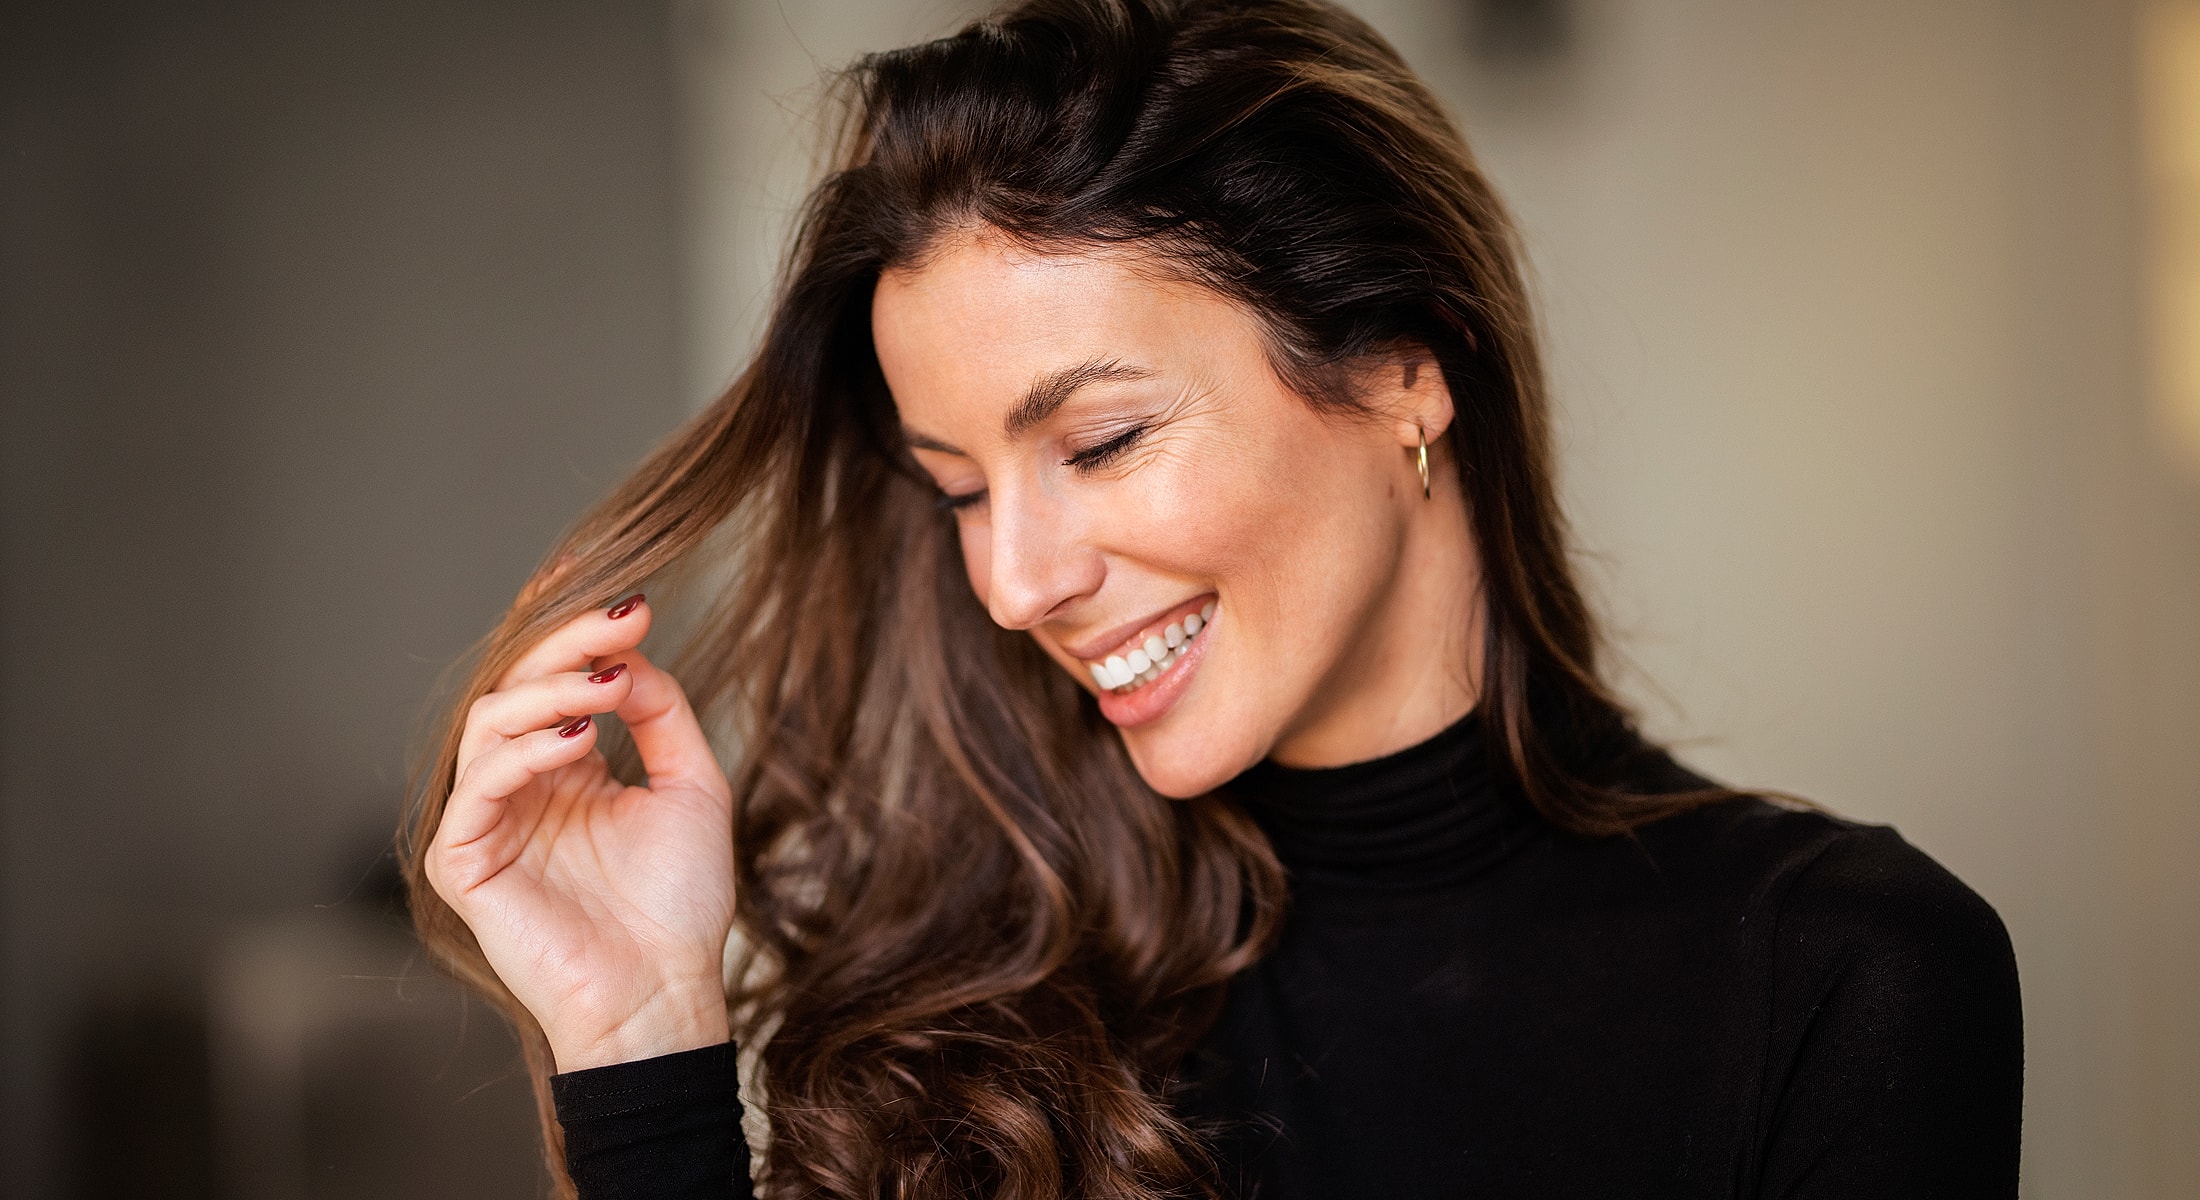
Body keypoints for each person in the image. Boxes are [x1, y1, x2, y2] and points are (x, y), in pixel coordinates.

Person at [403, 1, 2024, 1197]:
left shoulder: (1843, 978)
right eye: (959, 489)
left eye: (1101, 442)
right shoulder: (989, 990)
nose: (1016, 582)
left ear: (1405, 369)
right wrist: (643, 1041)